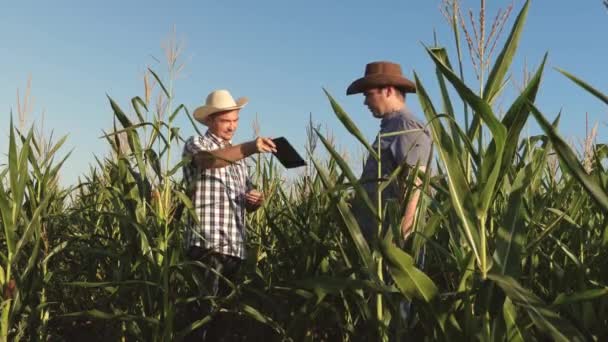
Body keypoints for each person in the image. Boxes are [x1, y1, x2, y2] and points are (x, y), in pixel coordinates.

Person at [182, 89, 276, 340]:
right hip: (207, 244)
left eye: (235, 121)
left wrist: (255, 199)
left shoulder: (239, 157)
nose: (232, 127)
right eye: (226, 121)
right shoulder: (196, 144)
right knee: (203, 318)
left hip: (234, 247)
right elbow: (208, 161)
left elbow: (246, 196)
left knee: (223, 323)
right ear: (211, 120)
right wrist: (250, 147)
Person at [346, 61, 433, 244]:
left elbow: (416, 186)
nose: (365, 102)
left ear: (388, 91)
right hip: (377, 244)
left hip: (393, 248)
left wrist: (401, 243)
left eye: (368, 95)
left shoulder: (405, 126)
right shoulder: (391, 126)